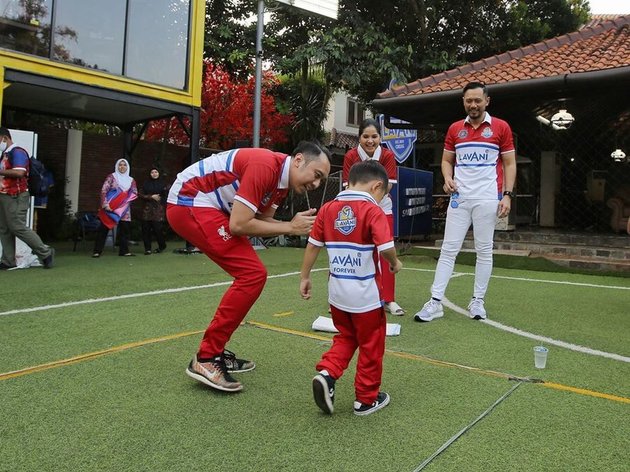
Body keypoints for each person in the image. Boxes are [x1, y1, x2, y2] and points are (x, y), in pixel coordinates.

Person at [167, 141, 331, 393]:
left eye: (321, 180)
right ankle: (206, 358)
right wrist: (290, 227)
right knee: (252, 274)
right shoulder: (265, 165)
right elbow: (240, 224)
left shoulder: (281, 183)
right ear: (298, 160)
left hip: (208, 206)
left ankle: (215, 352)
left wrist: (295, 225)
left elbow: (262, 221)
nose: (316, 184)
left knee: (252, 274)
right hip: (188, 201)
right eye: (316, 175)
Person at [300, 160, 402, 416]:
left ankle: (327, 374)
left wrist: (305, 276)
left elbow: (313, 245)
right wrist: (395, 262)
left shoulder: (327, 208)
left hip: (337, 294)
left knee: (346, 336)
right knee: (371, 343)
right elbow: (386, 247)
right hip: (365, 296)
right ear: (378, 186)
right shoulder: (372, 210)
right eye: (383, 194)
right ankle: (366, 399)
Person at [414, 82, 516, 322]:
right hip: (460, 199)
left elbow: (510, 164)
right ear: (463, 102)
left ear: (487, 101)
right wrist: (447, 178)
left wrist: (508, 195)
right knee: (448, 250)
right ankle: (435, 302)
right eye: (469, 100)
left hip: (488, 197)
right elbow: (447, 160)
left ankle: (478, 301)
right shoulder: (454, 129)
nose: (473, 105)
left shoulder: (500, 127)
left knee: (484, 251)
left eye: (477, 100)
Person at [343, 118, 404, 316]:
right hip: (355, 211)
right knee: (353, 253)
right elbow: (348, 186)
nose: (370, 141)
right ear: (359, 137)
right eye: (366, 136)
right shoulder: (351, 156)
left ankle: (389, 299)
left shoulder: (387, 155)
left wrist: (370, 205)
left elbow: (388, 185)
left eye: (374, 136)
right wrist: (362, 206)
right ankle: (345, 299)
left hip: (382, 210)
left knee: (385, 251)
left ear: (380, 137)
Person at [0, 127, 54, 269]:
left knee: (17, 226)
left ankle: (45, 252)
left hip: (16, 195)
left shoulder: (17, 152)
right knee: (4, 228)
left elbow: (19, 172)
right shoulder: (5, 154)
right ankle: (7, 260)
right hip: (5, 195)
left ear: (4, 138)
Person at [92, 158, 138, 257]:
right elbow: (104, 190)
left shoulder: (131, 180)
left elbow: (134, 193)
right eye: (120, 165)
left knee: (124, 229)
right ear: (117, 166)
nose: (122, 167)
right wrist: (105, 204)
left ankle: (124, 251)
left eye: (124, 165)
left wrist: (124, 204)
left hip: (124, 209)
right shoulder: (111, 177)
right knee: (104, 228)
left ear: (127, 167)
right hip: (110, 207)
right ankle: (97, 251)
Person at [139, 167, 168, 255]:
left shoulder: (163, 184)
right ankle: (147, 249)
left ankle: (162, 245)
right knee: (146, 230)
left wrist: (161, 199)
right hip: (147, 210)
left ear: (159, 173)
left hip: (158, 210)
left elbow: (166, 195)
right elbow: (140, 194)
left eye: (156, 172)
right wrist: (151, 197)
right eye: (152, 172)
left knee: (158, 229)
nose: (154, 174)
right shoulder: (146, 184)